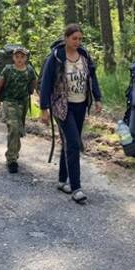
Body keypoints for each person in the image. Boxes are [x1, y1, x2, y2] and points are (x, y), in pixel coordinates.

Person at [39, 24, 102, 204]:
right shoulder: (56, 58)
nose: (77, 42)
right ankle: (76, 188)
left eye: (80, 39)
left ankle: (61, 180)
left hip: (81, 105)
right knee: (74, 143)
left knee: (68, 142)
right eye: (74, 38)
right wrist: (44, 109)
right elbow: (46, 84)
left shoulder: (84, 56)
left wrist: (97, 98)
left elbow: (92, 78)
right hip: (62, 106)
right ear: (66, 38)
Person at [0, 46, 37, 173]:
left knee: (18, 131)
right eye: (17, 57)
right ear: (13, 58)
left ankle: (14, 153)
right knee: (14, 128)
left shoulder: (29, 70)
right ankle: (11, 160)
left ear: (26, 58)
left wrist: (42, 101)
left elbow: (34, 84)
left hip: (22, 103)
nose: (19, 59)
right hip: (9, 102)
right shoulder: (7, 69)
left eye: (22, 57)